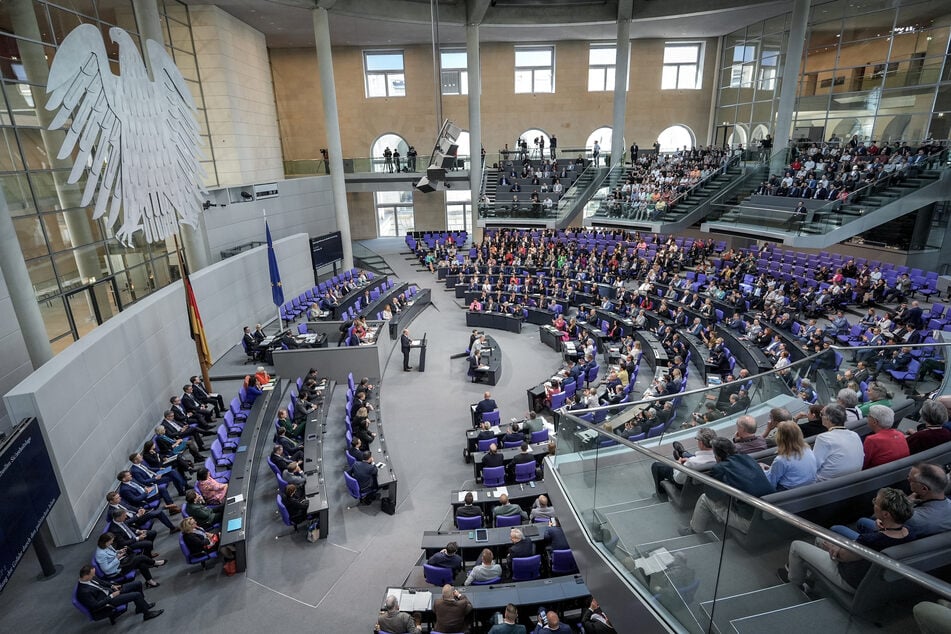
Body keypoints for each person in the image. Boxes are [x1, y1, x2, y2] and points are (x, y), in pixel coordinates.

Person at [781, 488, 916, 594]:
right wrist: (884, 526)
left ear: (886, 514)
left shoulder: (870, 540)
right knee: (820, 538)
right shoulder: (909, 532)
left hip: (849, 578)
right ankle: (809, 577)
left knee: (796, 546)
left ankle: (795, 585)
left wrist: (832, 547)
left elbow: (840, 556)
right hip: (873, 578)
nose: (874, 503)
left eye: (876, 502)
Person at [680, 438, 775, 536]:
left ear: (717, 456)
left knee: (704, 499)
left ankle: (694, 530)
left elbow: (712, 496)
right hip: (770, 516)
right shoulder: (747, 458)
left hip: (750, 523)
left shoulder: (720, 468)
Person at [75, 564, 163, 623]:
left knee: (138, 584)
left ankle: (141, 607)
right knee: (136, 595)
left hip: (111, 592)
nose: (94, 576)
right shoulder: (83, 592)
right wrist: (112, 596)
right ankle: (147, 614)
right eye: (92, 575)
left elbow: (103, 582)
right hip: (108, 602)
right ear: (86, 576)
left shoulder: (90, 578)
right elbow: (96, 606)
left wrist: (112, 586)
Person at [651, 428, 717, 500]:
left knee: (656, 466)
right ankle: (683, 452)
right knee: (690, 456)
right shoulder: (719, 457)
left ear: (701, 443)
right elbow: (701, 460)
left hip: (686, 486)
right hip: (706, 485)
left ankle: (661, 495)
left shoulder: (691, 463)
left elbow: (678, 479)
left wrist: (678, 465)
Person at [812, 403, 864, 481]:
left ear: (827, 418)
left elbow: (813, 466)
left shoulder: (823, 438)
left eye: (821, 414)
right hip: (854, 481)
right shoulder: (855, 435)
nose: (820, 417)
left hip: (826, 485)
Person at [94, 532, 164, 587]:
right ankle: (154, 563)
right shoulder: (100, 554)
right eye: (111, 541)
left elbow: (112, 553)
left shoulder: (106, 545)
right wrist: (117, 558)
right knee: (140, 557)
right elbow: (106, 569)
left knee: (141, 563)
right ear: (105, 541)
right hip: (116, 571)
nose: (112, 542)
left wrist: (119, 551)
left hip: (120, 562)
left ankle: (149, 581)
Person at [762, 422, 817, 490]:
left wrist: (761, 470)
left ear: (780, 438)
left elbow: (772, 483)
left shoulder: (781, 459)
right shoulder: (807, 449)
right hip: (809, 486)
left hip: (789, 491)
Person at [863, 405, 909, 469]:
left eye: (868, 416)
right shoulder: (900, 434)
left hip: (875, 475)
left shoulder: (872, 440)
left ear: (874, 421)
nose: (867, 417)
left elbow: (863, 464)